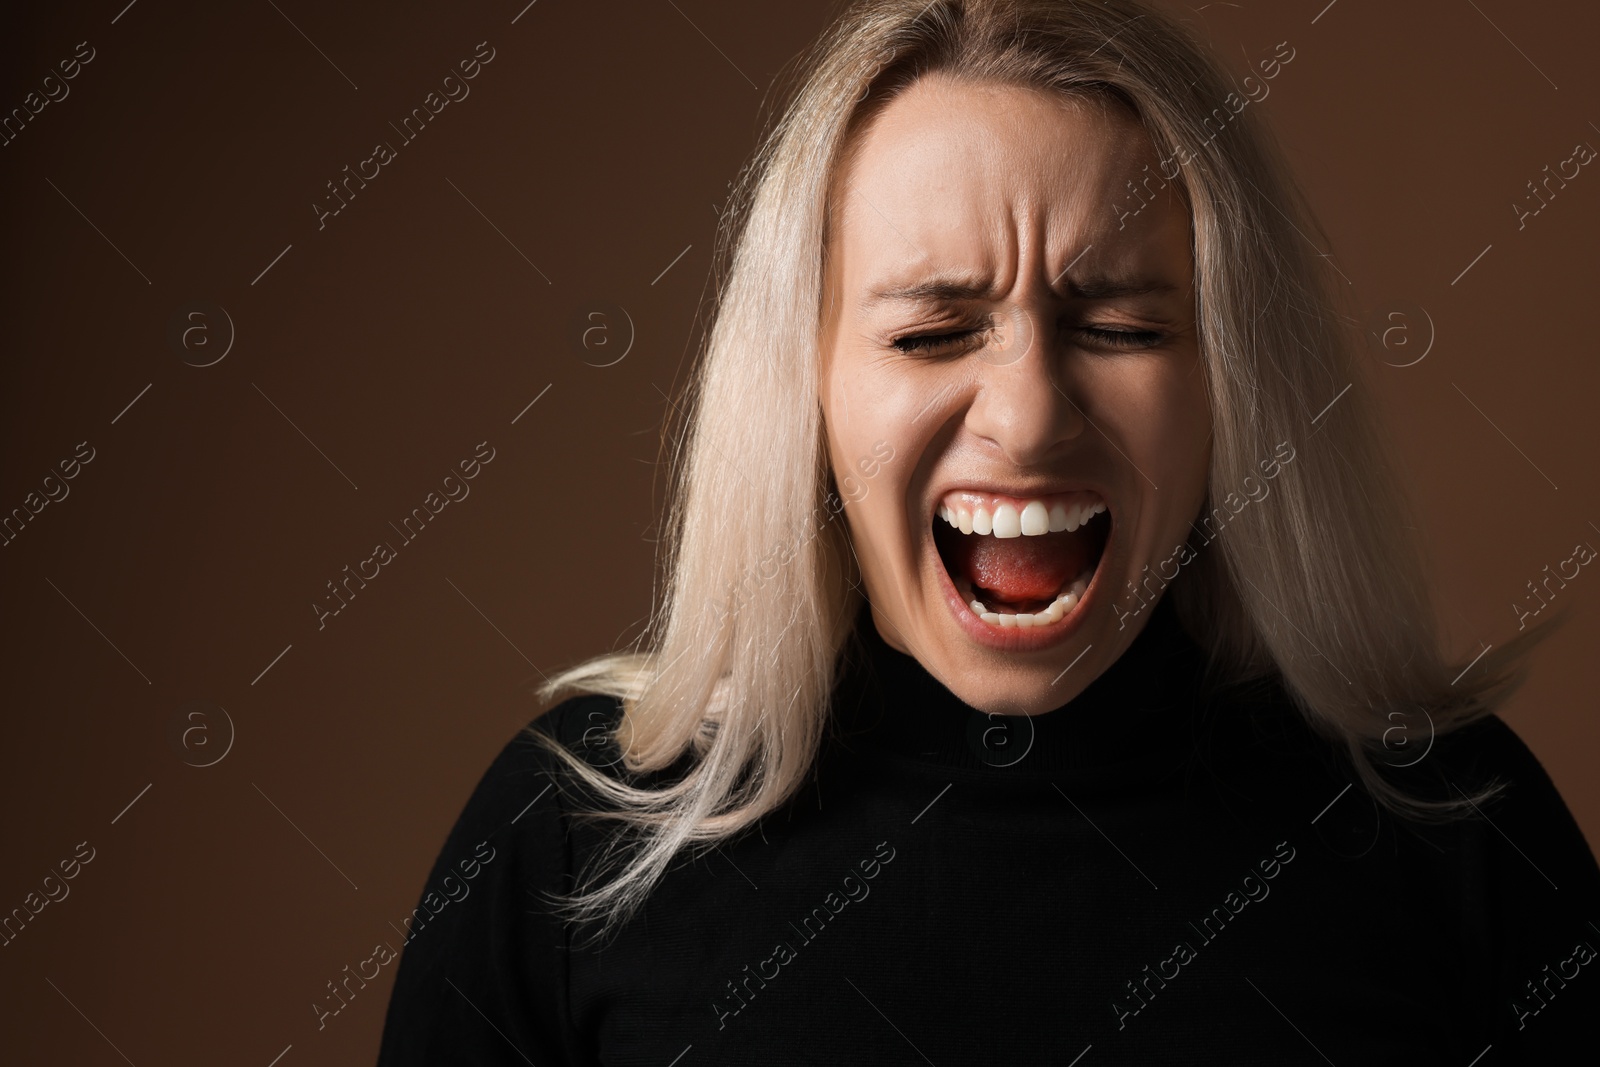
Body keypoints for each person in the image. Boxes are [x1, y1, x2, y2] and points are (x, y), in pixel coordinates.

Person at [377, 0, 1600, 1062]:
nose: (1025, 421)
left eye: (1121, 327)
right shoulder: (570, 841)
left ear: (1234, 380)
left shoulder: (1456, 831)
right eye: (929, 332)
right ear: (803, 387)